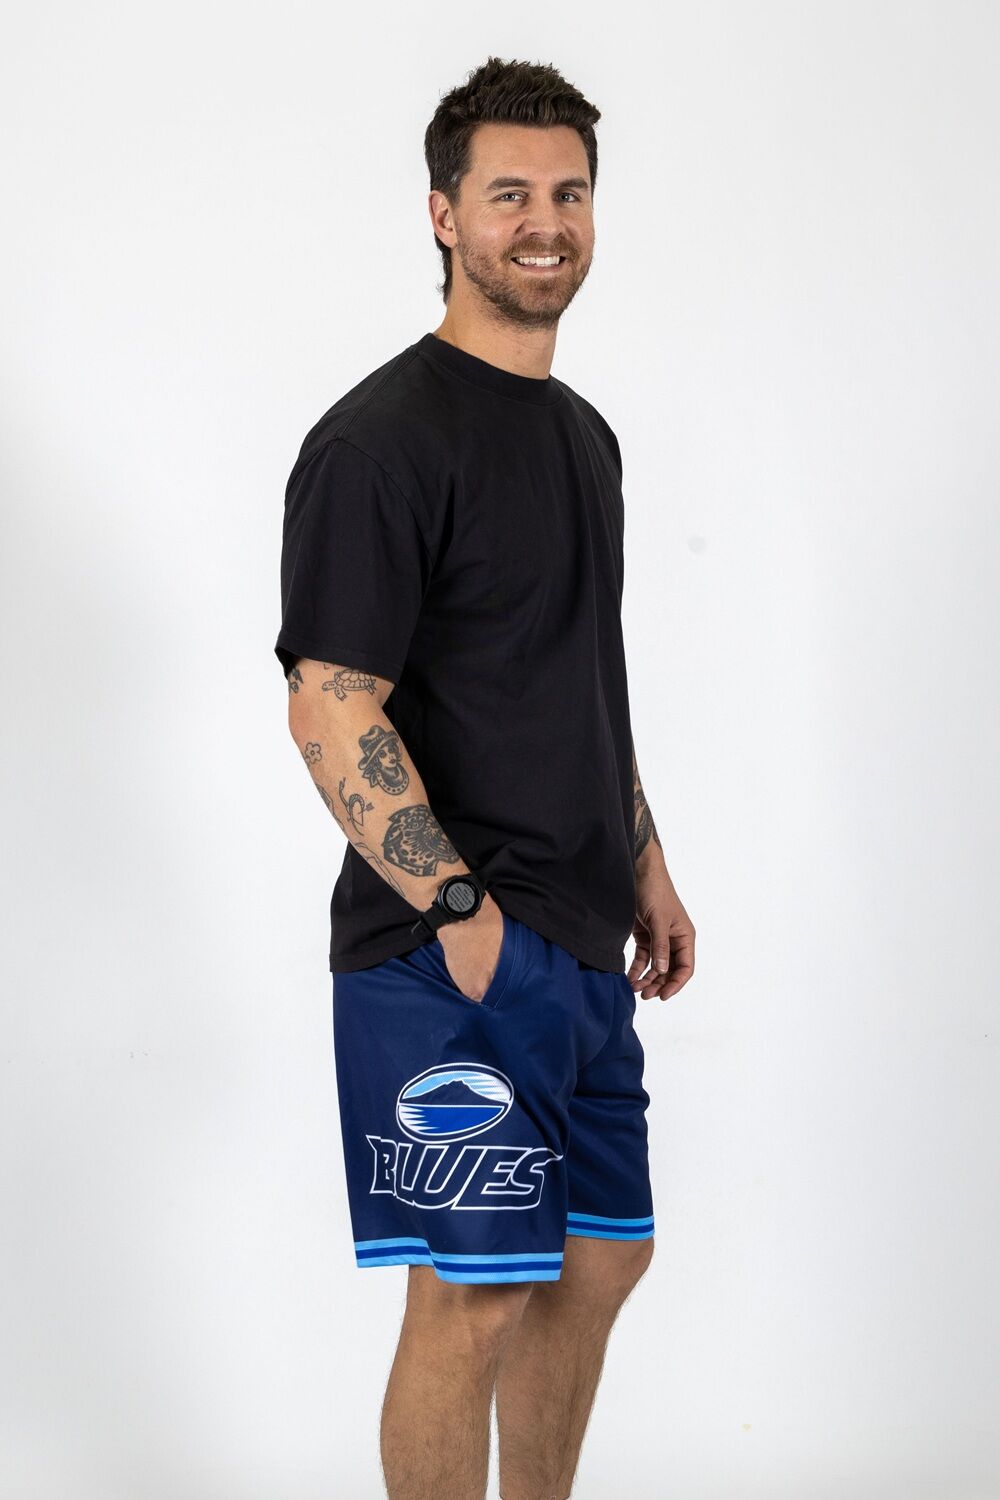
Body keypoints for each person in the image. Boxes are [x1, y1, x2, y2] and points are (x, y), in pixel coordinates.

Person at [274, 54, 696, 1500]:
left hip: (579, 928)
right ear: (444, 215)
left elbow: (577, 678)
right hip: (447, 947)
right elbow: (330, 703)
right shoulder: (380, 441)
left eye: (569, 193)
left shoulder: (583, 440)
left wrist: (645, 863)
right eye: (509, 192)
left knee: (602, 1258)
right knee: (471, 1293)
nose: (545, 222)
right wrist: (458, 912)